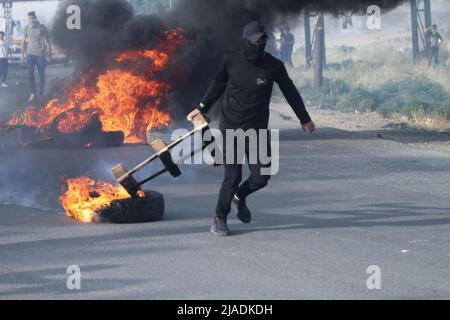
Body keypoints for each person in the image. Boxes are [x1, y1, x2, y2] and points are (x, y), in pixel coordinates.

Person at [187, 21, 315, 237]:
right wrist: (201, 108)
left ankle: (239, 196)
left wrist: (304, 118)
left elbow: (290, 91)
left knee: (261, 178)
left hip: (257, 129)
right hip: (232, 127)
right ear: (246, 42)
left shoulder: (273, 66)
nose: (260, 44)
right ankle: (220, 217)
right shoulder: (231, 60)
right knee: (232, 176)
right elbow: (217, 84)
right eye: (256, 41)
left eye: (263, 40)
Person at [21, 11, 52, 103]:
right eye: (29, 19)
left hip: (40, 55)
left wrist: (49, 53)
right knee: (30, 74)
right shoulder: (26, 28)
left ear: (35, 18)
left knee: (41, 75)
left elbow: (47, 40)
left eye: (32, 18)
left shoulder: (42, 27)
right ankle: (33, 93)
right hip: (30, 54)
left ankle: (41, 94)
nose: (30, 20)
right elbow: (23, 42)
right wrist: (22, 55)